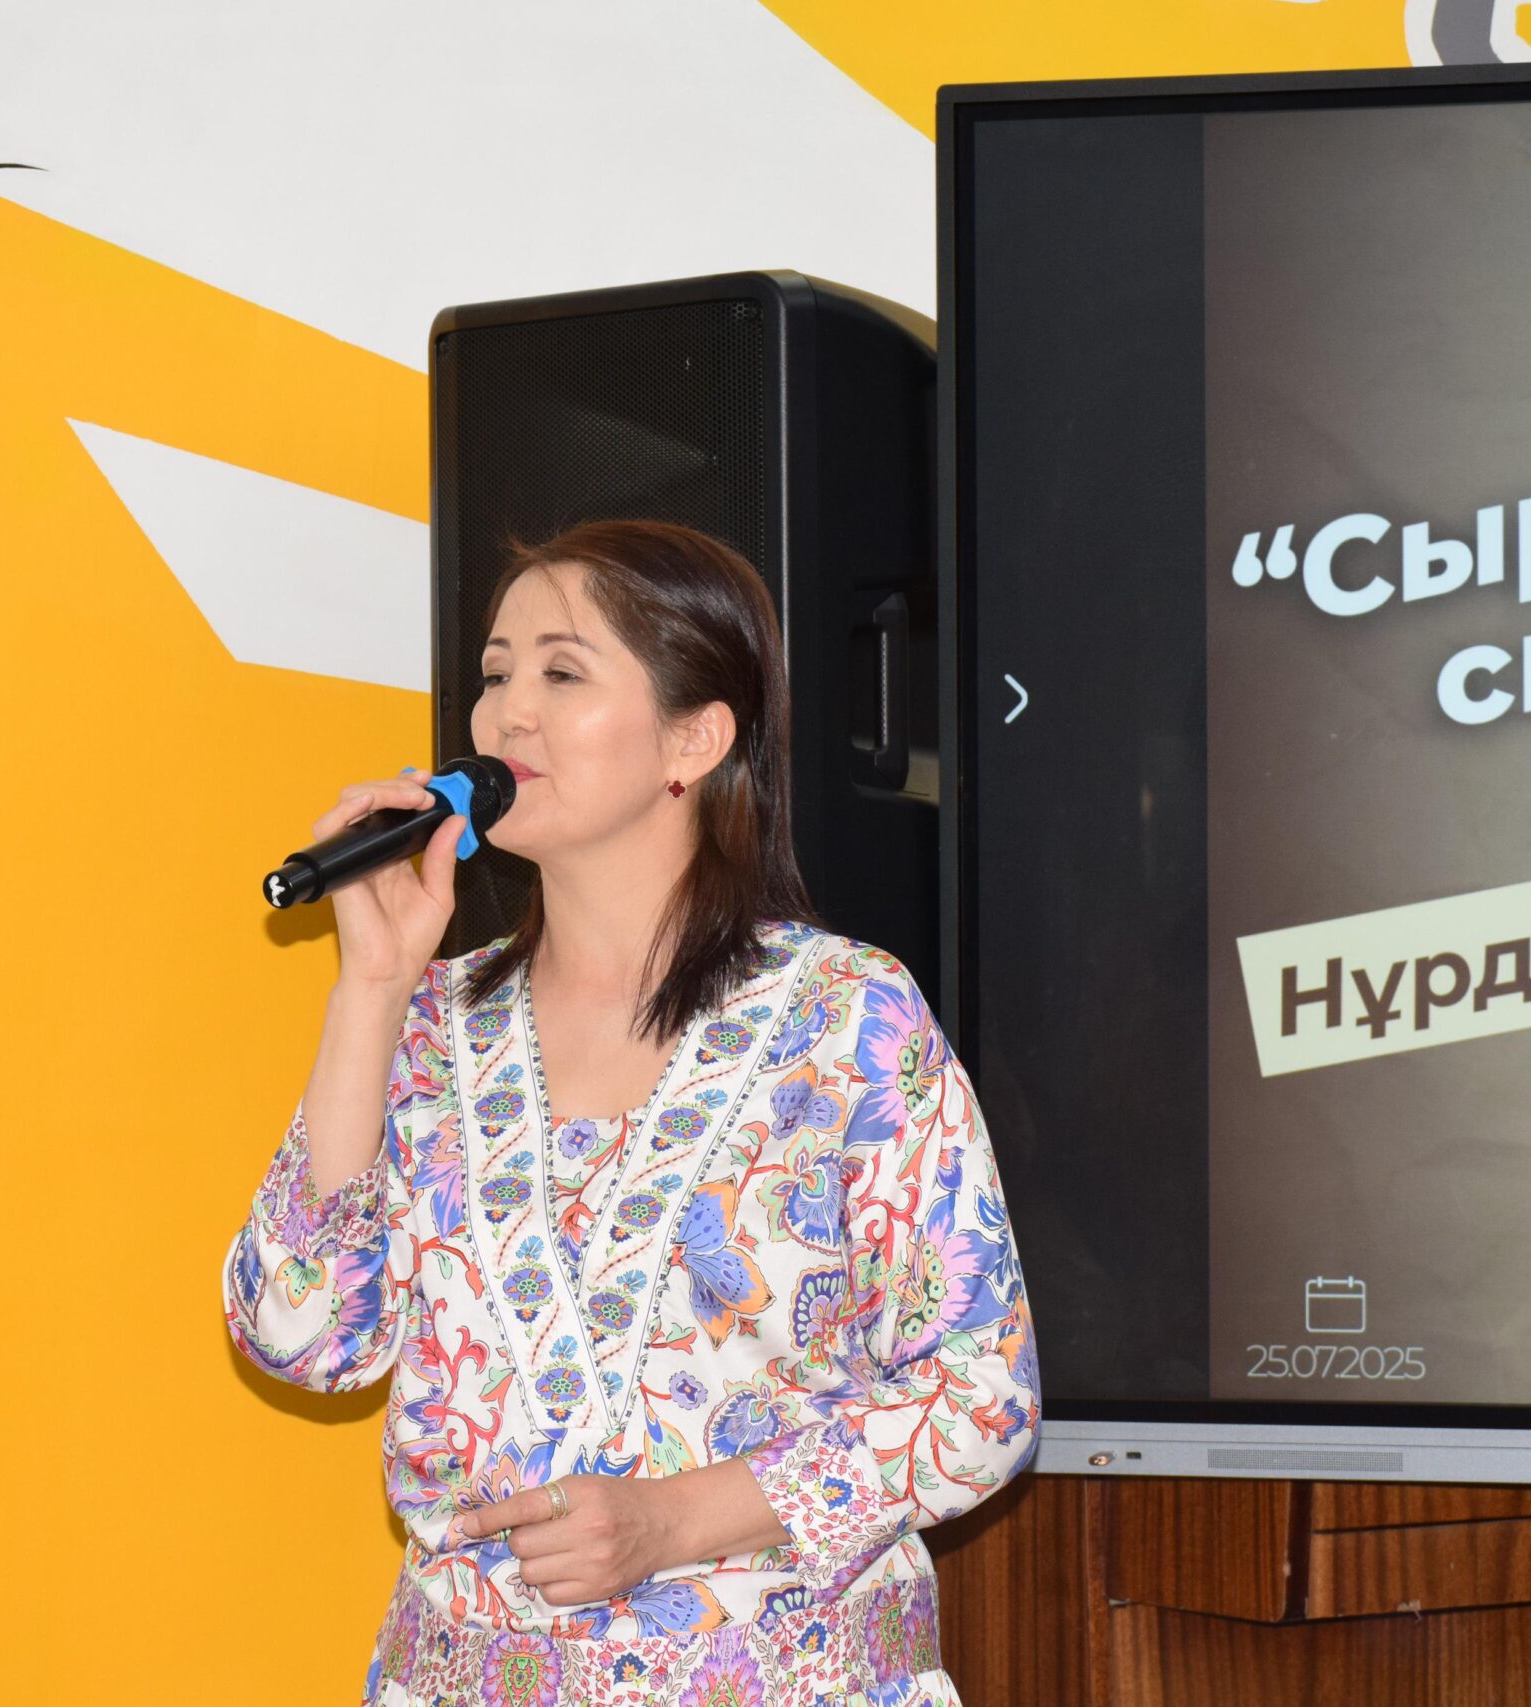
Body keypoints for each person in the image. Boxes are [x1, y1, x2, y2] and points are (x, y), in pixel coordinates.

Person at [223, 519, 1039, 1705]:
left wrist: (672, 1522)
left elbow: (981, 1394)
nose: (507, 715)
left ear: (694, 738)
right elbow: (300, 1339)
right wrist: (372, 988)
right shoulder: (431, 1023)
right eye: (495, 674)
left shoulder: (844, 1015)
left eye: (562, 673)